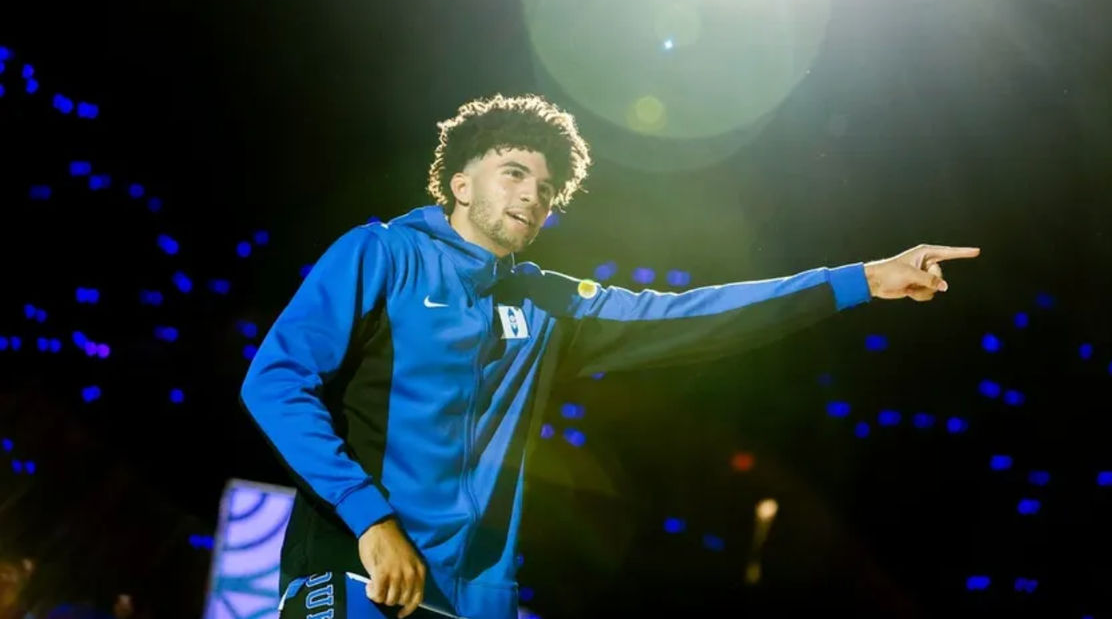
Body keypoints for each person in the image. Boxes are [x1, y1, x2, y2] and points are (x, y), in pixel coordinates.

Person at [241, 94, 979, 619]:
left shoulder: (550, 302)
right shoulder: (382, 253)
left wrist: (860, 280)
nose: (535, 194)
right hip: (354, 568)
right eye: (514, 172)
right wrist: (372, 521)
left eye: (547, 186)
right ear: (460, 183)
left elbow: (695, 313)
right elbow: (275, 381)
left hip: (476, 596)